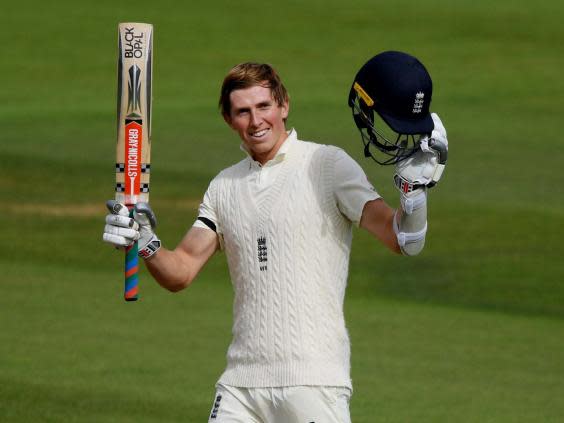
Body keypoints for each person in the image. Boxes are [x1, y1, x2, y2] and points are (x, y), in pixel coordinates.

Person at [103, 52, 448, 423]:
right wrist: (146, 242)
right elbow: (181, 271)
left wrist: (414, 197)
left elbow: (403, 240)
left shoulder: (327, 164)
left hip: (313, 382)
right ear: (228, 119)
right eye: (242, 111)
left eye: (264, 106)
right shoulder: (223, 186)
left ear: (284, 105)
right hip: (240, 386)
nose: (256, 121)